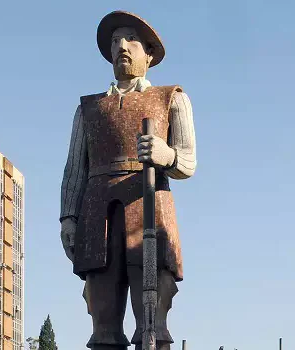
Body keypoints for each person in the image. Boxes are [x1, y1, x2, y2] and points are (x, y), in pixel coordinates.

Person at [59, 10, 197, 350]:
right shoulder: (89, 109)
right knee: (102, 316)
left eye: (131, 39)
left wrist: (166, 155)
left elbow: (188, 162)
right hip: (97, 211)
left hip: (148, 205)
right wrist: (68, 217)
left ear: (149, 54)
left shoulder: (171, 98)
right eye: (115, 41)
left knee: (153, 319)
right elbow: (74, 168)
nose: (122, 46)